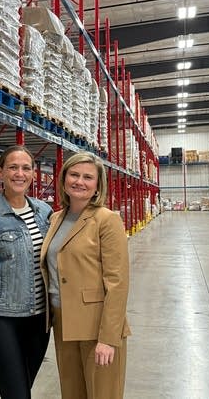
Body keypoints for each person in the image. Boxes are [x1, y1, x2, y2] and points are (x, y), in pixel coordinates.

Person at [0, 145, 53, 399]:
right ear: (0, 172)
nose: (20, 173)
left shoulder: (44, 212)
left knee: (22, 388)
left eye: (26, 168)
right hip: (2, 319)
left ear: (34, 174)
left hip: (39, 321)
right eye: (13, 167)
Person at [41, 151, 130, 399]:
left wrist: (108, 338)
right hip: (63, 322)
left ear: (97, 185)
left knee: (103, 393)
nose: (79, 181)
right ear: (63, 179)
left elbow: (118, 283)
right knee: (71, 393)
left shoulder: (107, 220)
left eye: (88, 177)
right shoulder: (56, 218)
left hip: (96, 325)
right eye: (74, 174)